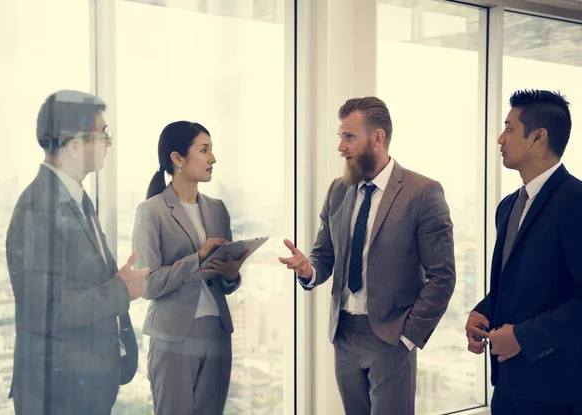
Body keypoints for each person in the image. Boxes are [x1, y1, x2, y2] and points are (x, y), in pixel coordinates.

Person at [279, 96, 456, 415]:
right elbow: (324, 257)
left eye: (349, 137)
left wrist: (408, 337)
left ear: (377, 137)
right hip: (344, 333)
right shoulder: (338, 190)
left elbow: (442, 277)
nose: (341, 147)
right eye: (340, 137)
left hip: (391, 336)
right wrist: (308, 270)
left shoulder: (422, 192)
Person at [5, 90, 148, 415]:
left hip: (81, 386)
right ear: (72, 146)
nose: (109, 143)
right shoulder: (37, 208)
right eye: (102, 134)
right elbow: (46, 310)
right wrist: (120, 291)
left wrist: (116, 283)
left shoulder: (76, 199)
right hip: (57, 393)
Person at [466, 89, 582, 415]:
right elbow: (514, 284)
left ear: (538, 138)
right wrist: (482, 313)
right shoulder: (507, 207)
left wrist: (523, 337)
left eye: (510, 128)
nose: (500, 139)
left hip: (555, 389)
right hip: (507, 386)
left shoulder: (576, 202)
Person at [132, 121, 248, 415]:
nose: (213, 159)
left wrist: (232, 275)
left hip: (217, 333)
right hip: (173, 336)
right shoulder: (151, 211)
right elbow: (148, 285)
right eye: (204, 150)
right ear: (178, 158)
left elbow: (226, 280)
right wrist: (196, 257)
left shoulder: (217, 208)